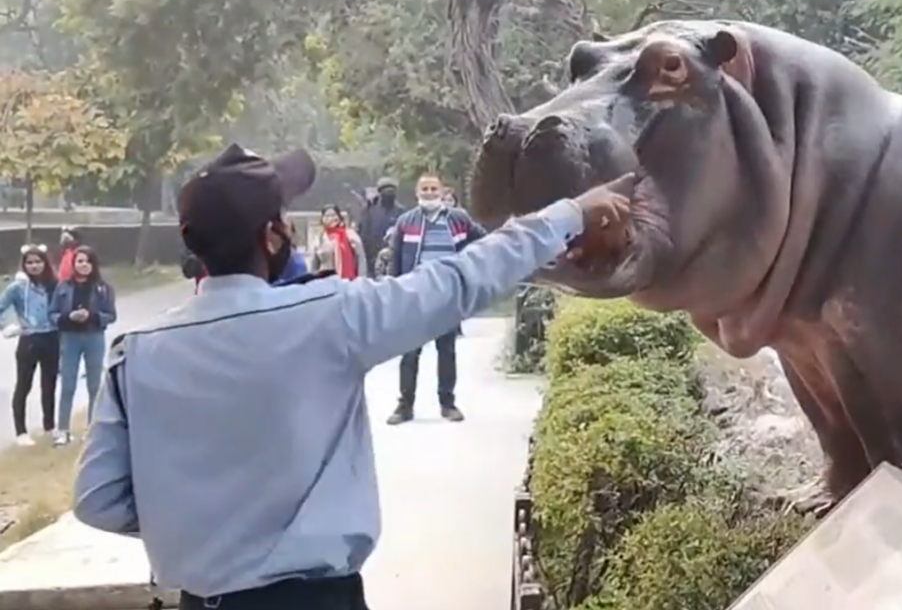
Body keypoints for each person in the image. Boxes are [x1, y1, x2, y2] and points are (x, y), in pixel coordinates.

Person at [71, 142, 633, 610]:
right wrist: (571, 212)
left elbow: (98, 499)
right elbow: (463, 280)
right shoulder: (328, 317)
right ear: (272, 236)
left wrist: (200, 524)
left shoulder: (136, 353)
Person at [385, 174, 486, 424]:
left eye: (433, 188)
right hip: (415, 296)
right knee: (409, 353)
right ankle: (405, 406)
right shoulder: (405, 222)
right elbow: (395, 261)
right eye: (425, 188)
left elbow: (483, 240)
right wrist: (393, 293)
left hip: (448, 295)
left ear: (442, 192)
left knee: (447, 351)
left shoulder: (458, 220)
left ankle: (448, 403)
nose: (429, 192)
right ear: (417, 193)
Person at [49, 245, 116, 446]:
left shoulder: (103, 288)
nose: (84, 265)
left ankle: (92, 429)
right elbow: (52, 313)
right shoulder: (63, 287)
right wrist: (67, 317)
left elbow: (111, 315)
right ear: (74, 264)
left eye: (88, 261)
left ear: (93, 264)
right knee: (67, 384)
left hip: (94, 336)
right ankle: (63, 430)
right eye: (80, 261)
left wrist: (93, 316)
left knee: (95, 384)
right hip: (70, 338)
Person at [0, 244, 60, 446]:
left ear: (45, 263)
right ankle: (21, 432)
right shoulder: (17, 288)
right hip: (29, 339)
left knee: (49, 384)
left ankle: (49, 426)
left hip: (52, 337)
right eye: (30, 262)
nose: (34, 266)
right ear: (24, 265)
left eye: (38, 262)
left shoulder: (54, 284)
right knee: (24, 385)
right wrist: (8, 326)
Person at [308, 203, 367, 279]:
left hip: (348, 283)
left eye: (333, 215)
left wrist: (361, 279)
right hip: (325, 282)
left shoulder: (350, 235)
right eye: (327, 216)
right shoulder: (319, 239)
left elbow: (361, 258)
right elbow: (313, 266)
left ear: (339, 217)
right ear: (322, 219)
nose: (331, 218)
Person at [356, 177, 402, 271]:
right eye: (385, 189)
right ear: (380, 192)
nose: (389, 192)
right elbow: (362, 233)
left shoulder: (401, 212)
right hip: (370, 258)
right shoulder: (369, 210)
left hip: (392, 259)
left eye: (392, 190)